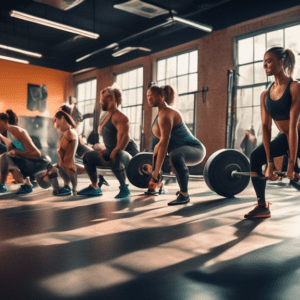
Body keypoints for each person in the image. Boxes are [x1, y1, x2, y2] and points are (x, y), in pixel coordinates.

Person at [245, 46, 300, 219]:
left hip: (297, 135)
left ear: (281, 62)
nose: (265, 65)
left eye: (269, 61)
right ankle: (262, 206)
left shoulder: (295, 87)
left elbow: (293, 126)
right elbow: (266, 128)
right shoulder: (265, 95)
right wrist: (269, 163)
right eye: (264, 62)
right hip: (286, 137)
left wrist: (291, 166)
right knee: (255, 157)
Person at [147, 85, 206, 205]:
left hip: (196, 149)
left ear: (162, 96)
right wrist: (154, 174)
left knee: (175, 155)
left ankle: (184, 195)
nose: (149, 98)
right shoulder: (159, 115)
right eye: (147, 96)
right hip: (181, 150)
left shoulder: (167, 114)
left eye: (152, 95)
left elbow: (165, 143)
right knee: (171, 153)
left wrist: (156, 172)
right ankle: (155, 186)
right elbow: (158, 146)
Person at [78, 86, 138, 198]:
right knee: (88, 157)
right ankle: (95, 186)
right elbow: (112, 140)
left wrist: (115, 150)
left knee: (117, 154)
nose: (100, 102)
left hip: (129, 155)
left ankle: (124, 188)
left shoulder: (120, 117)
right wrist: (107, 149)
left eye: (102, 100)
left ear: (111, 99)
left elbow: (125, 138)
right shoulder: (107, 115)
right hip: (115, 150)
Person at [0, 110, 45, 194]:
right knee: (5, 158)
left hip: (38, 162)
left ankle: (26, 184)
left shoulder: (17, 131)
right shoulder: (8, 134)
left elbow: (37, 154)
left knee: (5, 158)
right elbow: (11, 154)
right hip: (26, 161)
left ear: (5, 121)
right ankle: (2, 186)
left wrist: (17, 153)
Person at [50, 105, 79, 196]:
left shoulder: (70, 132)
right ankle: (67, 186)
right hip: (64, 162)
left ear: (62, 117)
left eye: (56, 119)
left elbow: (69, 158)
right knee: (56, 167)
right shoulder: (65, 132)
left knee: (68, 164)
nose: (55, 123)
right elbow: (61, 148)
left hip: (70, 162)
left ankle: (72, 187)